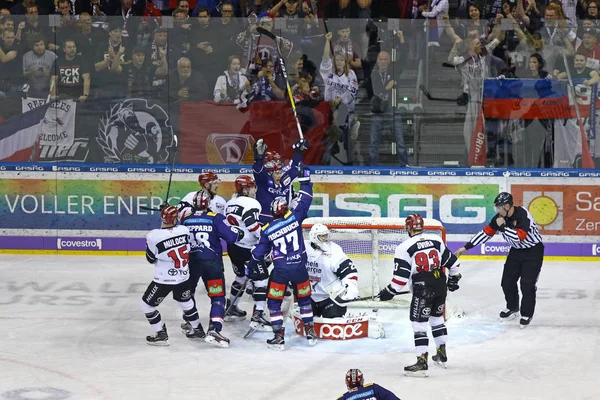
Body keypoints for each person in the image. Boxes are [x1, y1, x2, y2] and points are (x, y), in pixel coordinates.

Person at [378, 214, 462, 376]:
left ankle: (422, 360)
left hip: (423, 290)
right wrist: (454, 279)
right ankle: (441, 351)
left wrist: (389, 292)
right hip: (440, 285)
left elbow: (400, 278)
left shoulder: (404, 247)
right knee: (437, 319)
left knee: (419, 324)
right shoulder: (436, 240)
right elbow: (454, 263)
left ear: (408, 227)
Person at [247, 166, 316, 350]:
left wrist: (252, 265)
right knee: (304, 300)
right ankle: (310, 332)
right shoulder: (294, 218)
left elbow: (259, 252)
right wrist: (306, 181)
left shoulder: (267, 229)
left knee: (274, 303)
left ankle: (278, 337)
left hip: (281, 272)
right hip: (300, 269)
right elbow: (305, 200)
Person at [454, 192, 543, 327]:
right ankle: (513, 307)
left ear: (507, 206)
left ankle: (527, 314)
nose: (497, 211)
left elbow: (519, 237)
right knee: (507, 282)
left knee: (527, 285)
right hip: (515, 252)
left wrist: (503, 227)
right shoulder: (499, 218)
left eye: (499, 207)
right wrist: (465, 248)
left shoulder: (522, 215)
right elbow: (485, 234)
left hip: (533, 252)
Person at [180, 191, 244, 348]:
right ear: (208, 204)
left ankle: (192, 325)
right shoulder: (216, 218)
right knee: (218, 297)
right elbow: (232, 238)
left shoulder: (185, 220)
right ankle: (214, 329)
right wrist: (237, 229)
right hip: (212, 264)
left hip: (191, 264)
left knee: (189, 294)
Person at [141, 206, 205, 346]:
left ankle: (160, 334)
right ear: (176, 218)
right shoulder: (184, 230)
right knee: (186, 302)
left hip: (164, 280)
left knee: (147, 306)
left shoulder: (153, 235)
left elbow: (150, 259)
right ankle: (197, 329)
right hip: (183, 276)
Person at [224, 175, 271, 332]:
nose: (254, 190)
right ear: (245, 189)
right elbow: (252, 226)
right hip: (248, 248)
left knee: (240, 277)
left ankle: (231, 307)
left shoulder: (229, 203)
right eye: (252, 187)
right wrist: (265, 239)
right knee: (261, 279)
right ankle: (258, 315)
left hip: (233, 247)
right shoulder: (251, 203)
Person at [306, 223, 359, 318]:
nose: (325, 239)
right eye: (322, 237)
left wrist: (351, 286)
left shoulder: (334, 250)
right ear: (313, 237)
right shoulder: (304, 247)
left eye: (326, 236)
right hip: (309, 294)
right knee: (308, 324)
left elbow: (349, 271)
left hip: (330, 293)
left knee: (334, 319)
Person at [253, 138, 307, 224]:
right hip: (264, 224)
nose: (280, 175)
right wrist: (258, 159)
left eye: (280, 172)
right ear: (269, 173)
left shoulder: (285, 179)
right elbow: (258, 171)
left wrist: (299, 152)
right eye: (277, 173)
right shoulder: (263, 181)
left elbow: (294, 166)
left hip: (284, 223)